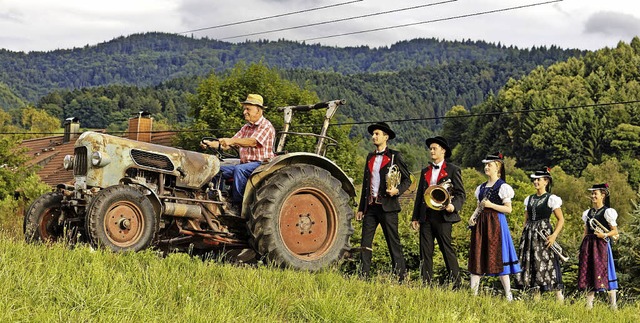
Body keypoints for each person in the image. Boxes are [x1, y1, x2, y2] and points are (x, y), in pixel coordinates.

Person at [356, 122, 411, 281]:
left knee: (393, 243)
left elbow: (408, 179)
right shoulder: (370, 156)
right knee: (365, 242)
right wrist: (361, 208)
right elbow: (366, 184)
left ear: (386, 137)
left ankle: (400, 277)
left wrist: (397, 191)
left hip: (388, 206)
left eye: (377, 134)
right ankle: (363, 276)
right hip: (371, 207)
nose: (374, 136)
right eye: (373, 134)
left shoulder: (395, 156)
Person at [201, 94, 275, 212]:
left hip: (262, 165)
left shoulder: (266, 126)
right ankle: (216, 201)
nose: (244, 112)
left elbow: (252, 142)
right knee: (217, 169)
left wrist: (232, 140)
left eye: (248, 109)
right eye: (244, 109)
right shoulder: (246, 128)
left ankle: (238, 205)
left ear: (258, 110)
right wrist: (211, 143)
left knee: (239, 170)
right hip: (245, 164)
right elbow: (229, 144)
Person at [411, 136, 465, 288]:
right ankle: (426, 284)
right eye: (430, 148)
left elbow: (461, 194)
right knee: (425, 251)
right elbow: (420, 195)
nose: (431, 151)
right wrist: (415, 217)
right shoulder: (425, 171)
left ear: (443, 151)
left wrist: (453, 206)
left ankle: (456, 284)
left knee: (447, 250)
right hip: (426, 215)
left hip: (443, 216)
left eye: (434, 148)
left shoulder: (453, 170)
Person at [468, 153, 521, 301]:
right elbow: (479, 206)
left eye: (489, 165)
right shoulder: (481, 188)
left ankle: (508, 295)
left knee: (499, 257)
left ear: (497, 167)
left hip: (496, 224)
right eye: (485, 165)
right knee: (478, 255)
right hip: (481, 224)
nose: (486, 167)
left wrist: (491, 205)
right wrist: (473, 217)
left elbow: (508, 209)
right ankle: (473, 295)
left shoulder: (503, 187)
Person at [516, 167, 565, 302]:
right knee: (533, 264)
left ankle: (559, 298)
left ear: (546, 182)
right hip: (530, 235)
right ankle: (536, 301)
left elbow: (561, 220)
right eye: (535, 180)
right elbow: (526, 219)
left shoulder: (551, 199)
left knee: (548, 263)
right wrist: (524, 233)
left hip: (543, 234)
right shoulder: (529, 199)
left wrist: (554, 235)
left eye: (538, 179)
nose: (535, 182)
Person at [578, 183, 619, 310]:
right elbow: (586, 232)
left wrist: (604, 234)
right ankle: (589, 305)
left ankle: (613, 305)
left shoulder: (608, 212)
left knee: (607, 272)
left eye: (595, 193)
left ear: (603, 195)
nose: (593, 196)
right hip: (589, 245)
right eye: (592, 193)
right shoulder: (588, 213)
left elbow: (615, 232)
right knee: (589, 273)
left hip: (601, 245)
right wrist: (581, 248)